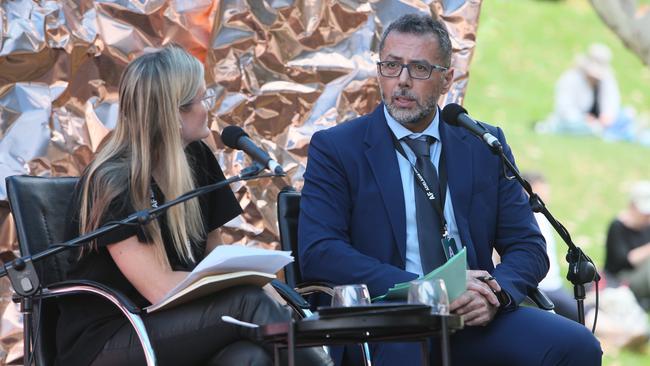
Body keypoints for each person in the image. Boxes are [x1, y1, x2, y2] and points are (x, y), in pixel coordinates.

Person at [298, 14, 602, 366]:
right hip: (388, 321)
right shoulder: (338, 148)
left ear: (447, 79)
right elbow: (320, 251)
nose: (403, 81)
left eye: (420, 69)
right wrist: (426, 289)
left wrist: (495, 294)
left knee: (577, 345)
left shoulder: (482, 143)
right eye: (392, 66)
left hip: (471, 318)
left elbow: (527, 245)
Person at [56, 45, 331, 366]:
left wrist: (253, 277)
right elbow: (159, 289)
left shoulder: (198, 158)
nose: (208, 109)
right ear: (173, 113)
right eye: (202, 100)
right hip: (112, 336)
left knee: (249, 356)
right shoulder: (113, 180)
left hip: (178, 323)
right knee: (246, 303)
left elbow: (214, 254)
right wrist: (242, 285)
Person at [535, 43, 635, 141]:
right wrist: (584, 119)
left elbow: (612, 101)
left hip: (600, 122)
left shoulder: (607, 80)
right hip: (575, 121)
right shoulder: (570, 78)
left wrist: (606, 117)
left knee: (627, 114)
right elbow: (564, 108)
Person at [522, 172, 580, 321]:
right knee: (584, 315)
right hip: (544, 289)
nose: (545, 195)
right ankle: (622, 333)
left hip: (555, 285)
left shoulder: (543, 217)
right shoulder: (526, 218)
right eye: (540, 190)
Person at [604, 180, 650, 309]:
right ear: (632, 206)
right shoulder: (617, 227)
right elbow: (625, 261)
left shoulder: (647, 225)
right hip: (621, 279)